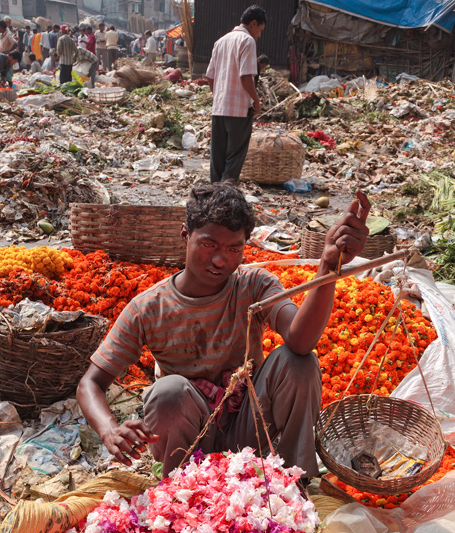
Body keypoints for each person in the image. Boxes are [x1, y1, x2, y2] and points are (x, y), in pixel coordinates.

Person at [77, 183, 371, 477]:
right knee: (167, 393)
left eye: (234, 249)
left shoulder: (253, 285)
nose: (220, 260)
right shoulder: (149, 308)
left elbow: (300, 339)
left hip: (251, 427)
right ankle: (181, 487)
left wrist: (327, 268)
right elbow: (90, 384)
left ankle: (295, 479)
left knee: (299, 363)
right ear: (185, 235)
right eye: (209, 245)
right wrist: (109, 430)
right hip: (191, 438)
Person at [206, 5, 266, 184]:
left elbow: (210, 77)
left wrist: (219, 96)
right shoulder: (247, 41)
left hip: (219, 109)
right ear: (254, 23)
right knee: (234, 157)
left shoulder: (221, 41)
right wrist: (256, 100)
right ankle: (225, 197)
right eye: (260, 30)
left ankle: (213, 196)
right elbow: (246, 76)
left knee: (217, 158)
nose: (259, 35)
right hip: (239, 110)